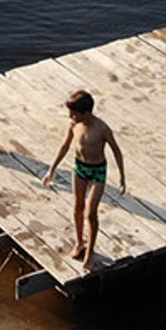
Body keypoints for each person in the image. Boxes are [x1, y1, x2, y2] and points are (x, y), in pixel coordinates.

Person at [41, 89, 125, 266]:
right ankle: (79, 243)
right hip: (80, 168)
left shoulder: (102, 128)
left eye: (74, 114)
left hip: (97, 171)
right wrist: (52, 170)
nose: (71, 117)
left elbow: (116, 151)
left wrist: (122, 177)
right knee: (77, 206)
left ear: (86, 113)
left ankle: (90, 250)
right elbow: (64, 146)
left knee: (90, 212)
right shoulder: (73, 125)